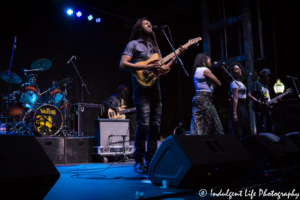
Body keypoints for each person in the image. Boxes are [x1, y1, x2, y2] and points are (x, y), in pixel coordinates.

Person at [119, 18, 187, 174]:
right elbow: (122, 64)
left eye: (150, 23)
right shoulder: (133, 44)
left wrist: (176, 56)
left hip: (155, 89)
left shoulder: (154, 47)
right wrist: (144, 66)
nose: (149, 25)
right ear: (139, 28)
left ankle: (151, 161)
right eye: (145, 23)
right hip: (141, 88)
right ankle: (138, 160)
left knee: (155, 126)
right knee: (144, 124)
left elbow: (162, 69)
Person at [190, 53, 224, 135]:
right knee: (215, 125)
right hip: (205, 100)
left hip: (198, 98)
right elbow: (219, 83)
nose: (210, 63)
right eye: (209, 60)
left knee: (199, 127)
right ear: (204, 61)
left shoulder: (197, 71)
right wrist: (213, 84)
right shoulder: (205, 70)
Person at [227, 62, 251, 139]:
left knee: (246, 125)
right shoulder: (234, 83)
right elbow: (235, 98)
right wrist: (235, 113)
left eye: (239, 68)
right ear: (233, 72)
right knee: (238, 127)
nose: (239, 70)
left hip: (243, 106)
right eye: (236, 69)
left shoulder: (240, 82)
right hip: (239, 106)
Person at [248, 68, 274, 134]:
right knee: (262, 128)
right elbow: (249, 95)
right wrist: (259, 102)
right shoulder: (257, 83)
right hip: (260, 109)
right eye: (268, 76)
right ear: (264, 76)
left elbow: (268, 99)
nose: (268, 78)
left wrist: (274, 101)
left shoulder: (266, 86)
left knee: (270, 127)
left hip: (267, 109)